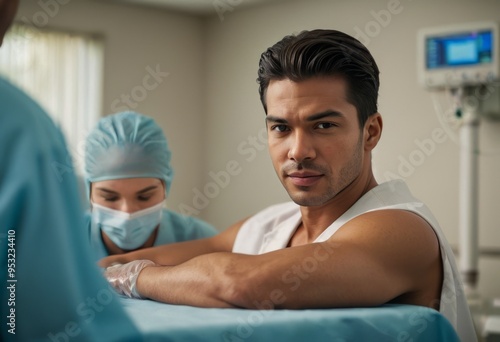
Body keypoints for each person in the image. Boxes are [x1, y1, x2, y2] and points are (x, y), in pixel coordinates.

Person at [101, 29, 477, 342]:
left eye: (324, 125)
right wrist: (110, 267)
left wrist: (136, 277)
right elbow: (137, 261)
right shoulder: (271, 225)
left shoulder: (400, 227)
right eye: (281, 127)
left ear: (371, 131)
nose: (298, 151)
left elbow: (241, 283)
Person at [0, 1, 142, 340]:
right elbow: (44, 324)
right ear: (89, 190)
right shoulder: (20, 126)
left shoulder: (194, 232)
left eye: (145, 194)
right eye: (108, 194)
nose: (127, 212)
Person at [84, 111, 218, 260]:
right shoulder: (66, 241)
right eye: (109, 198)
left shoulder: (200, 241)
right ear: (89, 191)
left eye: (144, 197)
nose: (127, 213)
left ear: (165, 187)